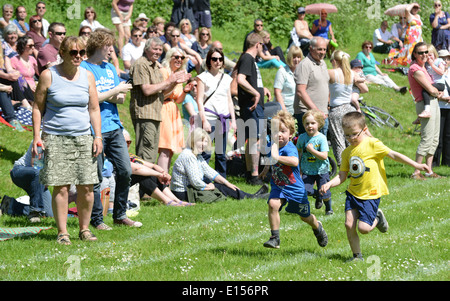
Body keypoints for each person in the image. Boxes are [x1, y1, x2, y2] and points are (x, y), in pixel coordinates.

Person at [320, 111, 431, 261]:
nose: (351, 138)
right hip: (353, 193)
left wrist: (416, 164)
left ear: (364, 129)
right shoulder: (347, 152)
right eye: (347, 135)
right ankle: (357, 256)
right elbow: (342, 176)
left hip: (370, 194)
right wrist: (329, 183)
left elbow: (393, 155)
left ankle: (377, 217)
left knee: (364, 229)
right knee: (348, 224)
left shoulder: (372, 144)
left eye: (354, 134)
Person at [32, 36, 103, 245]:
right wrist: (37, 135)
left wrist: (97, 136)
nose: (78, 56)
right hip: (55, 137)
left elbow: (94, 108)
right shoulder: (48, 75)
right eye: (73, 52)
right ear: (62, 53)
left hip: (83, 137)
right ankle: (62, 232)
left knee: (87, 187)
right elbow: (37, 107)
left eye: (82, 52)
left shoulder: (88, 76)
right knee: (61, 187)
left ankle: (84, 229)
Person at [81, 28, 142, 229]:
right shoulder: (84, 68)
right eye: (109, 46)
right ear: (99, 45)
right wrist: (113, 91)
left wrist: (108, 93)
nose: (112, 50)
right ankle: (97, 220)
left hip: (114, 126)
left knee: (125, 170)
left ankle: (119, 215)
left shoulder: (109, 69)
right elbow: (91, 99)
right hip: (93, 129)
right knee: (97, 176)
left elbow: (121, 98)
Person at [260, 110, 328, 249]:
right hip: (278, 186)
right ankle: (275, 238)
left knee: (305, 217)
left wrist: (276, 157)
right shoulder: (271, 144)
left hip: (294, 188)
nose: (279, 134)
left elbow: (295, 161)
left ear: (290, 134)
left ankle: (317, 226)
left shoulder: (288, 148)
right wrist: (265, 169)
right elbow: (270, 157)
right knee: (273, 204)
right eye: (275, 131)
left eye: (283, 131)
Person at [129, 37, 189, 164]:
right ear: (146, 49)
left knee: (151, 154)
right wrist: (169, 81)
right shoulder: (141, 64)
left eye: (160, 49)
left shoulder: (156, 66)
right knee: (146, 155)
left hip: (156, 114)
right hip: (145, 113)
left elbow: (162, 93)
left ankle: (153, 183)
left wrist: (174, 84)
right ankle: (144, 183)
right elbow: (147, 90)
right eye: (154, 49)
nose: (157, 52)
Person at [171, 127, 269, 201]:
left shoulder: (197, 155)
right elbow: (195, 181)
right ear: (193, 141)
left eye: (205, 141)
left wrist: (227, 183)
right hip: (183, 194)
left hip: (189, 190)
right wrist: (208, 187)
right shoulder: (189, 156)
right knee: (219, 187)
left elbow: (209, 171)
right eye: (200, 141)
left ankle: (251, 196)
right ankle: (252, 197)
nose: (203, 144)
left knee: (222, 185)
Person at [122, 129, 195, 207]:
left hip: (133, 187)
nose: (127, 144)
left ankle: (176, 200)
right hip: (121, 190)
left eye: (129, 142)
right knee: (141, 174)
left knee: (151, 171)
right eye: (124, 141)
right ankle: (167, 202)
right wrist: (159, 175)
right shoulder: (119, 156)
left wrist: (163, 173)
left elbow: (153, 166)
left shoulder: (130, 155)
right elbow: (137, 169)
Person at [237, 32, 272, 185]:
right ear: (258, 45)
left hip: (253, 105)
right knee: (256, 140)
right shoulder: (247, 58)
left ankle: (249, 173)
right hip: (252, 106)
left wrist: (261, 89)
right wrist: (255, 93)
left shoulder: (250, 60)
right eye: (261, 46)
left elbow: (248, 80)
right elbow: (240, 80)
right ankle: (254, 176)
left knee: (252, 139)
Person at [196, 46, 237, 178]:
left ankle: (221, 183)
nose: (217, 62)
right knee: (206, 152)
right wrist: (204, 120)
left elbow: (229, 101)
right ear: (209, 61)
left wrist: (234, 121)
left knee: (221, 153)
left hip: (224, 118)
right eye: (214, 59)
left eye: (220, 59)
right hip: (209, 117)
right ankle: (203, 181)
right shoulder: (203, 77)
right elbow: (199, 100)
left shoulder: (226, 78)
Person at [408, 42, 443, 180]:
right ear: (415, 54)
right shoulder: (415, 69)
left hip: (434, 103)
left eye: (426, 52)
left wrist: (439, 94)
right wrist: (437, 92)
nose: (424, 55)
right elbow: (430, 89)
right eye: (420, 52)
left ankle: (428, 170)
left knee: (434, 139)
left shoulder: (424, 68)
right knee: (427, 138)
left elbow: (434, 91)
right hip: (424, 104)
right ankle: (416, 172)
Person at [327, 50, 366, 167]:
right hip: (349, 109)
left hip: (336, 110)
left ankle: (343, 166)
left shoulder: (331, 73)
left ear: (334, 61)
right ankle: (355, 164)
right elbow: (363, 80)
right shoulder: (351, 73)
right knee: (351, 139)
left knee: (338, 140)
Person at [157, 47, 192, 172]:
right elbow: (162, 95)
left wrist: (185, 91)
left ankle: (164, 179)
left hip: (173, 111)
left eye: (181, 57)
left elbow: (177, 100)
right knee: (165, 148)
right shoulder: (164, 72)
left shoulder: (179, 74)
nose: (179, 60)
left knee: (170, 150)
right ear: (169, 58)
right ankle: (161, 179)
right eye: (176, 57)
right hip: (163, 109)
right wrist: (173, 82)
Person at [296, 110, 332, 215]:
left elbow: (324, 156)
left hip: (321, 170)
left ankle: (328, 209)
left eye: (313, 123)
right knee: (305, 190)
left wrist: (312, 151)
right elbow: (298, 152)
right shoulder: (302, 138)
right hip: (307, 169)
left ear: (319, 124)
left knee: (325, 191)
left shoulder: (321, 138)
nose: (309, 126)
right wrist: (299, 168)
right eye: (307, 123)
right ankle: (318, 195)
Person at [9, 139, 53, 222]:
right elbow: (35, 165)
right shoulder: (41, 138)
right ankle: (34, 211)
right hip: (21, 170)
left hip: (38, 179)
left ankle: (11, 205)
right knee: (38, 172)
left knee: (50, 214)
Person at [294, 37, 329, 136]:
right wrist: (316, 111)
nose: (322, 52)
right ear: (311, 48)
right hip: (307, 114)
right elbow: (300, 91)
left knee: (321, 147)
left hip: (322, 113)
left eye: (324, 49)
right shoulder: (305, 65)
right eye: (319, 49)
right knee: (308, 148)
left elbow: (324, 84)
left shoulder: (323, 63)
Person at [414, 44, 447, 121]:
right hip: (433, 84)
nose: (428, 57)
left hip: (440, 84)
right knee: (427, 92)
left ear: (434, 54)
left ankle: (427, 110)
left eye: (430, 55)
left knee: (425, 91)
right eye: (427, 55)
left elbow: (442, 72)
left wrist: (432, 65)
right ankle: (421, 115)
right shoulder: (426, 64)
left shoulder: (439, 61)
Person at [274, 45, 302, 115]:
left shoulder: (302, 72)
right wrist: (284, 111)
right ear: (289, 58)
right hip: (285, 110)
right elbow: (277, 92)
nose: (296, 60)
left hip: (298, 110)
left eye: (298, 57)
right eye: (294, 57)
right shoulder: (282, 72)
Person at [433, 50, 450, 167]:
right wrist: (443, 98)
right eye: (443, 59)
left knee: (448, 136)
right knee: (437, 136)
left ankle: (447, 162)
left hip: (449, 107)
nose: (445, 61)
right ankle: (434, 163)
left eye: (447, 59)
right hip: (439, 106)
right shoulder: (434, 73)